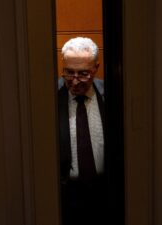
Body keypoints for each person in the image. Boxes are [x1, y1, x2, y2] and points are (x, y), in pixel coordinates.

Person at [58, 37, 122, 225]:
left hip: (106, 195)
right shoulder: (51, 96)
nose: (75, 81)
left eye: (83, 73)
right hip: (65, 197)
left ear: (96, 67)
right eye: (69, 73)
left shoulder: (113, 94)